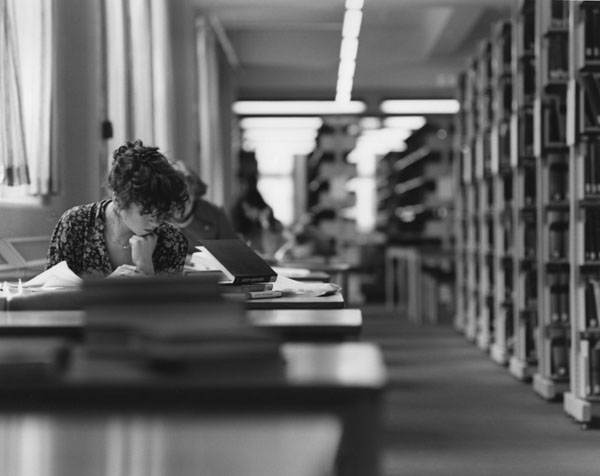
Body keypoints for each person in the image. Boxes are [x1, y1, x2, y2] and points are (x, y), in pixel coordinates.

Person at [46, 139, 189, 278]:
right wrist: (108, 289)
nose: (157, 222)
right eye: (148, 213)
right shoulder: (74, 224)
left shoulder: (172, 240)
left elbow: (168, 302)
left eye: (161, 213)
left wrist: (146, 268)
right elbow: (49, 296)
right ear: (119, 198)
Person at [170, 161, 238, 254]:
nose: (178, 204)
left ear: (194, 193)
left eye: (185, 196)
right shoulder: (157, 217)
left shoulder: (215, 214)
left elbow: (234, 251)